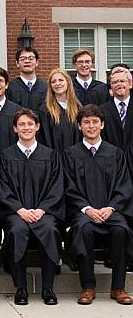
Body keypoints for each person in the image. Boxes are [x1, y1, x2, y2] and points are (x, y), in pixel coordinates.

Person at [63, 104, 133, 305]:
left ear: (102, 125)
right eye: (86, 122)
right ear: (79, 126)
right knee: (83, 230)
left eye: (95, 122)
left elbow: (124, 185)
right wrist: (88, 209)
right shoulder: (70, 154)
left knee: (121, 230)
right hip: (83, 212)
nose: (91, 126)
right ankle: (88, 287)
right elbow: (69, 186)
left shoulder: (115, 153)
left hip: (111, 210)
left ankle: (118, 288)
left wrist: (110, 207)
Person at [0, 109, 64, 306]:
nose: (26, 128)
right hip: (16, 212)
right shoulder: (5, 155)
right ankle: (21, 288)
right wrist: (20, 209)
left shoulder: (50, 155)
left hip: (44, 211)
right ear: (15, 128)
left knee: (50, 230)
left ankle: (48, 288)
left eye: (30, 124)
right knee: (17, 231)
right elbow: (2, 186)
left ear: (37, 127)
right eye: (22, 125)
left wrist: (42, 209)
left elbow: (56, 186)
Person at [38, 68, 81, 152]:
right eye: (53, 82)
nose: (57, 84)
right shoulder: (45, 110)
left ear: (68, 82)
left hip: (76, 159)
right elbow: (43, 138)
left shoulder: (78, 108)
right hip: (54, 159)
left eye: (61, 80)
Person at [100, 66, 133, 150]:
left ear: (130, 84)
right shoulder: (102, 111)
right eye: (114, 82)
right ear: (110, 87)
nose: (119, 84)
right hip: (111, 160)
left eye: (122, 81)